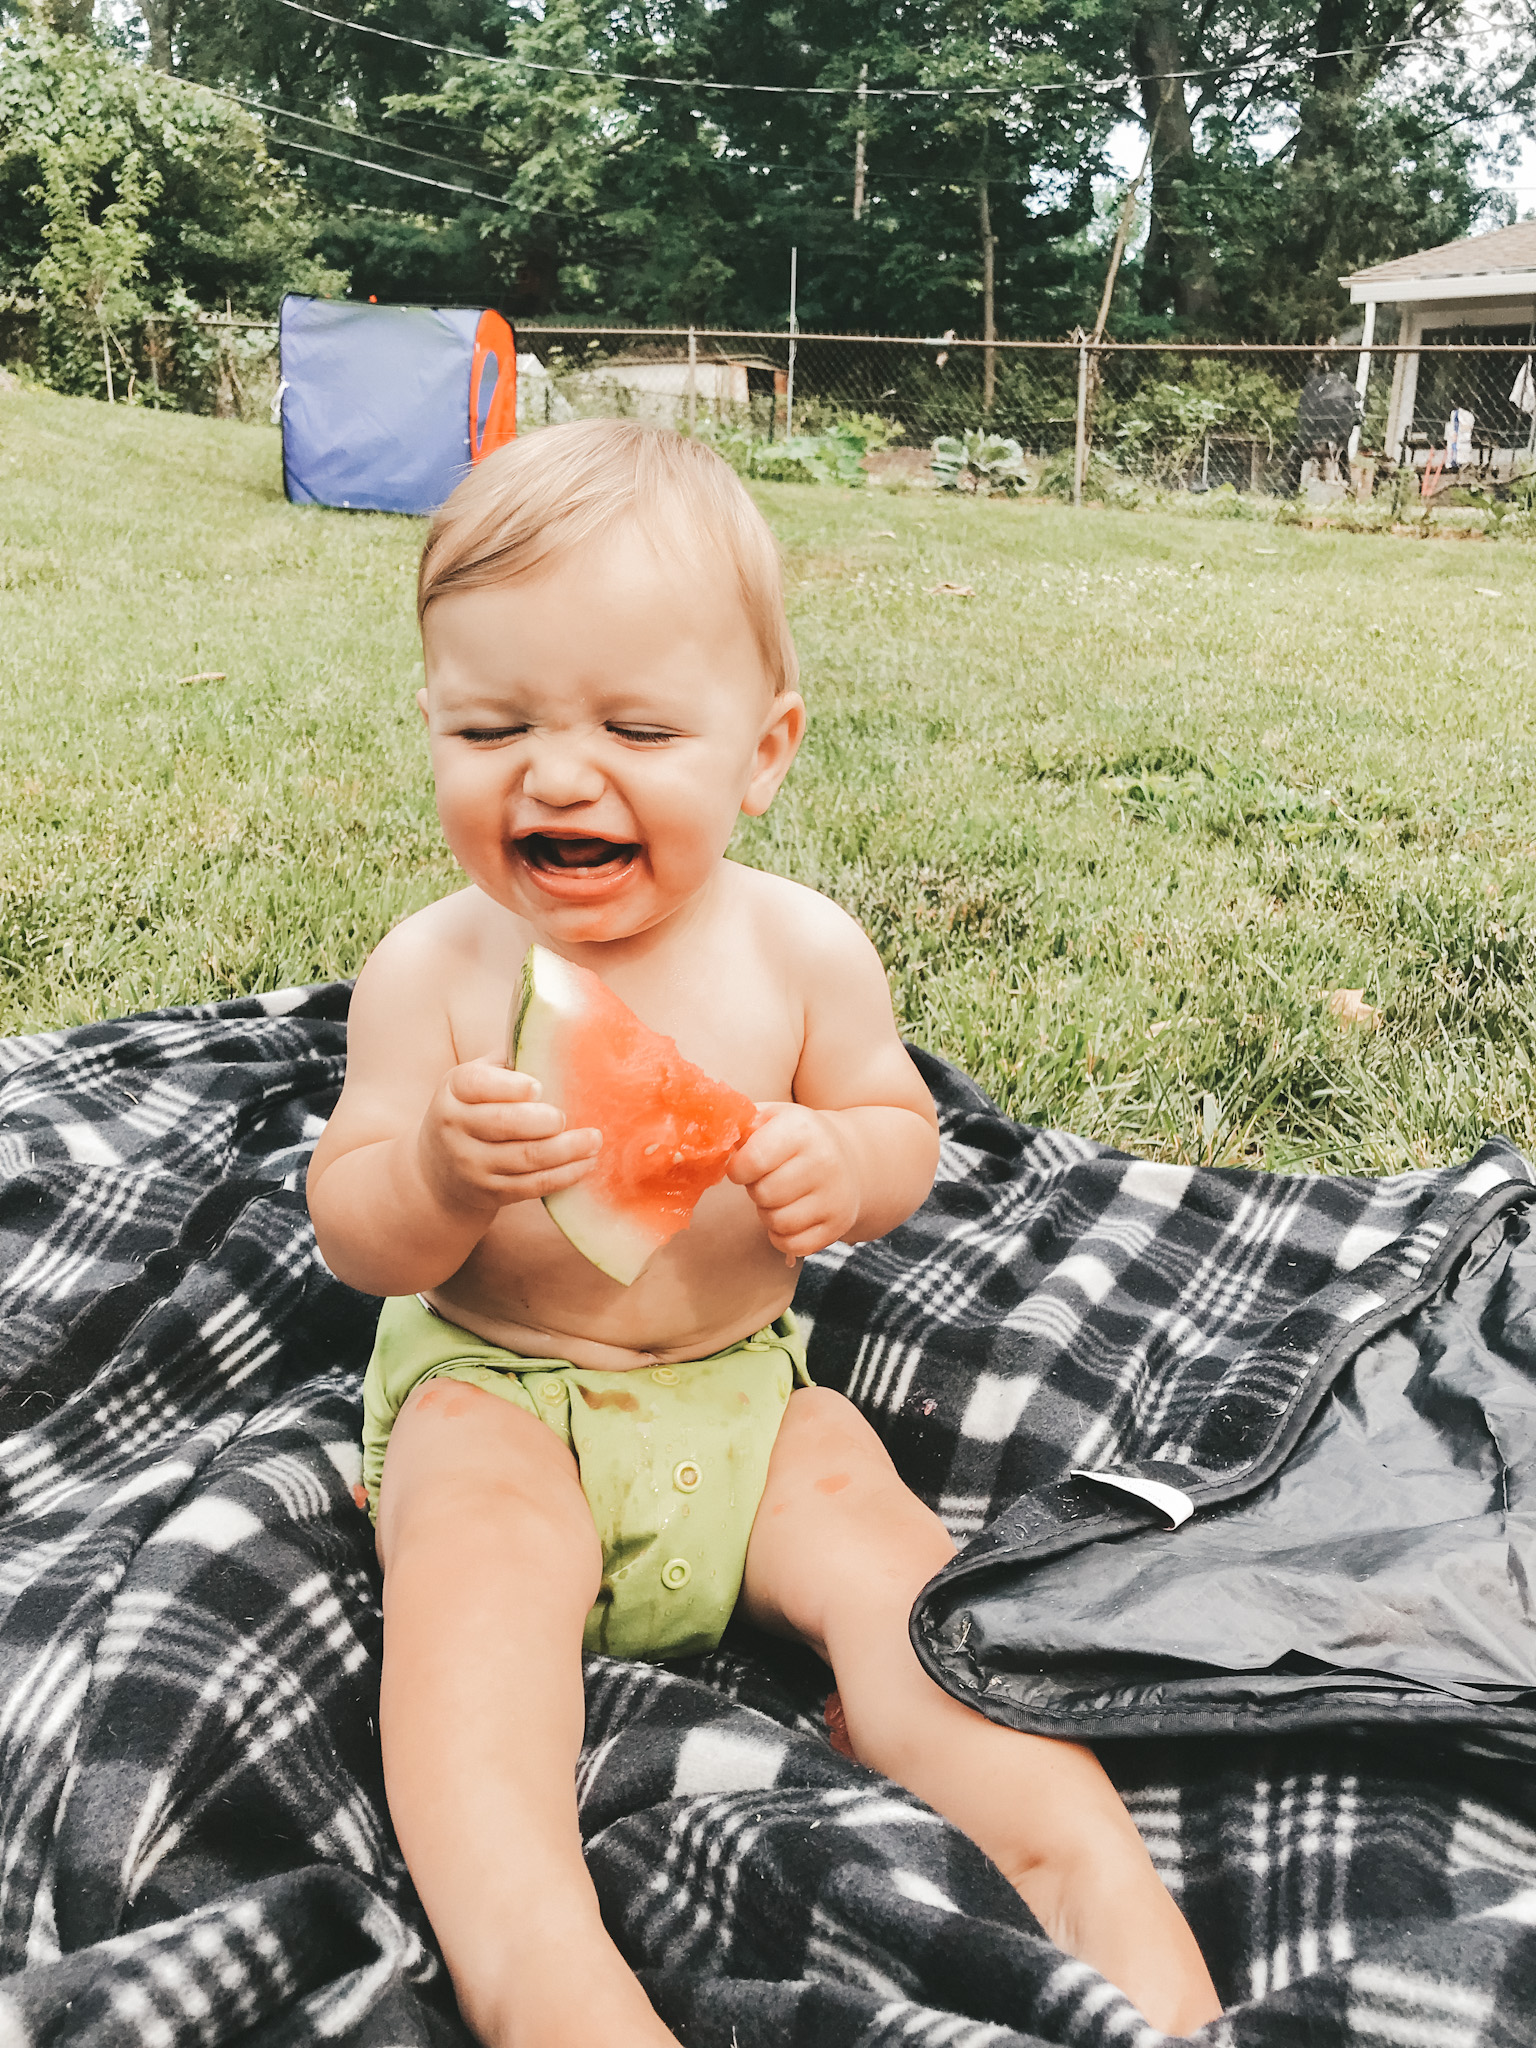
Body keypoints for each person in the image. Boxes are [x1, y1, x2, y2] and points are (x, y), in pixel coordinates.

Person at [306, 420, 1223, 2048]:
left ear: (765, 750)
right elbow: (359, 1239)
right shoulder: (431, 970)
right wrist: (440, 1177)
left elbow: (896, 1129)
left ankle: (1095, 1891)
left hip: (743, 1395)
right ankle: (539, 1964)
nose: (560, 772)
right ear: (432, 725)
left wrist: (839, 1166)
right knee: (468, 1594)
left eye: (638, 727)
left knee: (901, 1579)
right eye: (492, 723)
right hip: (498, 1396)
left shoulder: (805, 951)